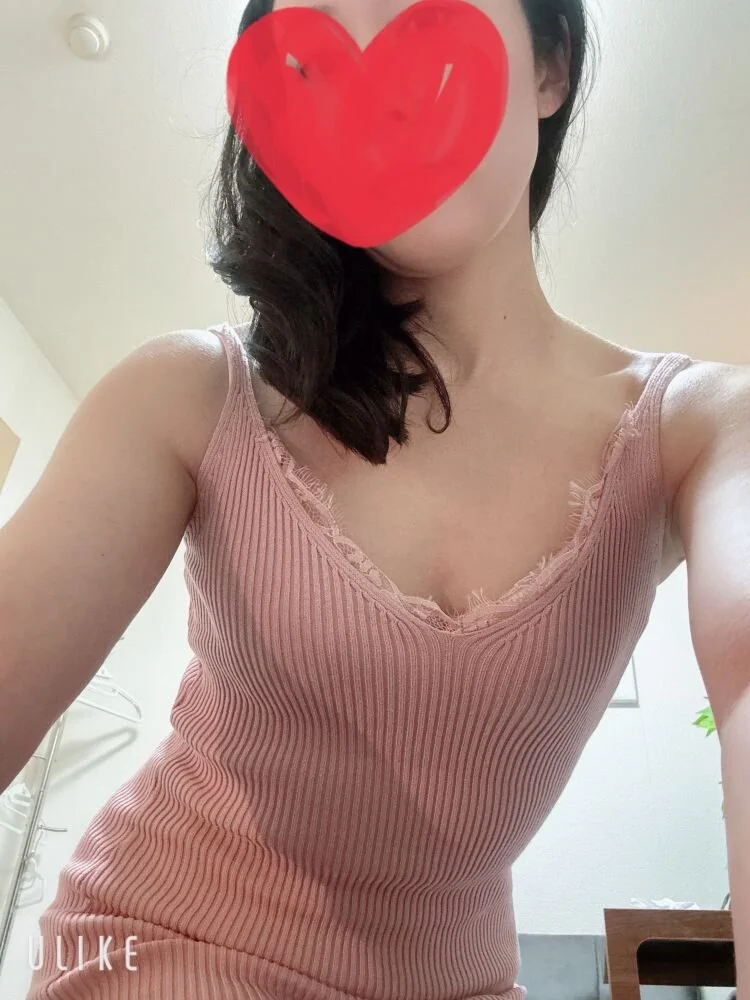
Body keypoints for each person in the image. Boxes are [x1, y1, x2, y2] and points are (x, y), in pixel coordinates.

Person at [0, 0, 738, 997]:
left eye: (421, 24)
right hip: (162, 940)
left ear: (551, 65)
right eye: (314, 71)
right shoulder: (190, 395)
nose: (369, 98)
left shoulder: (699, 427)